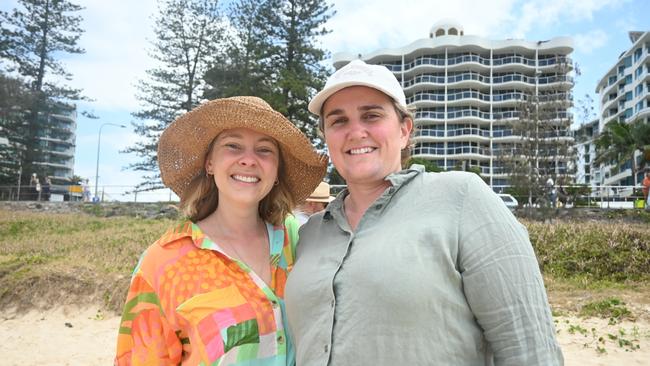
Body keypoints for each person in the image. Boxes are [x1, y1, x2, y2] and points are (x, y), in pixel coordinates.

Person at [284, 60, 563, 365]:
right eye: (338, 121)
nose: (355, 131)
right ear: (326, 137)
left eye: (371, 115)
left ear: (404, 130)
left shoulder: (461, 198)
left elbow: (529, 348)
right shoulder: (310, 232)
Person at [115, 96, 327, 365]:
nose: (249, 160)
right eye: (233, 146)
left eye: (264, 150)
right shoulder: (162, 264)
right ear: (210, 163)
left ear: (276, 171)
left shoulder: (298, 240)